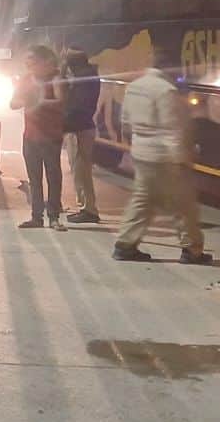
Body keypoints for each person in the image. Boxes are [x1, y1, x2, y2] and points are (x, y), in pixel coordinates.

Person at [114, 45, 211, 264]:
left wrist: (133, 146)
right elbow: (172, 128)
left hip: (142, 152)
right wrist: (183, 159)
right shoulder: (166, 91)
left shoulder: (135, 86)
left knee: (143, 200)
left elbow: (125, 123)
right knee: (184, 204)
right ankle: (192, 251)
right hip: (164, 157)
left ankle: (125, 244)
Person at [11, 45, 67, 231]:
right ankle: (36, 216)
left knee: (53, 176)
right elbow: (13, 103)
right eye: (27, 60)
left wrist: (38, 100)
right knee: (34, 178)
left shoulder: (56, 79)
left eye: (32, 60)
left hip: (50, 136)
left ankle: (54, 216)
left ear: (45, 61)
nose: (29, 63)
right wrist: (24, 99)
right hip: (30, 136)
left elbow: (60, 102)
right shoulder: (25, 79)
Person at [62, 49, 102, 224]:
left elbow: (75, 106)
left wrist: (64, 126)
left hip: (79, 129)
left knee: (81, 170)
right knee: (81, 169)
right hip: (81, 127)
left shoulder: (82, 80)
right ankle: (86, 207)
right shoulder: (87, 76)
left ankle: (88, 209)